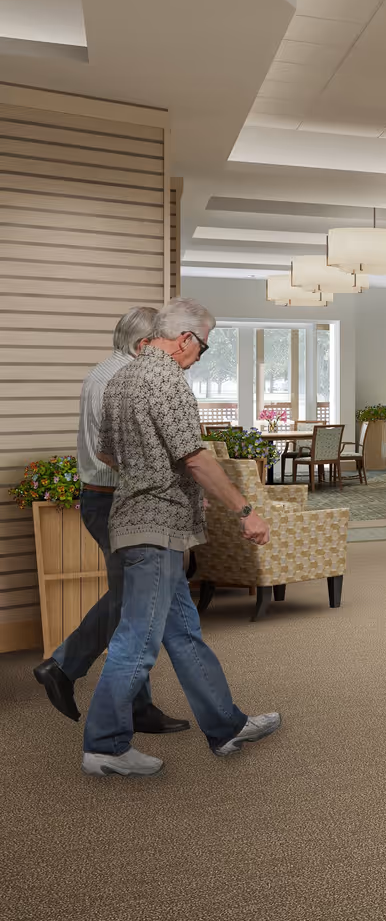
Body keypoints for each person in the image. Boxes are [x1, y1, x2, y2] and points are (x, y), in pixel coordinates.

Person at [82, 298, 279, 777]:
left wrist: (153, 475)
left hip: (135, 519)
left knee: (183, 632)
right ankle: (105, 745)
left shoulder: (121, 376)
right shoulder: (166, 378)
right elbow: (194, 457)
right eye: (204, 348)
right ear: (186, 338)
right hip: (156, 528)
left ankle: (225, 725)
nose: (198, 357)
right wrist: (245, 510)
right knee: (138, 639)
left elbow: (107, 451)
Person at [33, 307, 187, 735]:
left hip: (107, 498)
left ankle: (134, 705)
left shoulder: (102, 373)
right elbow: (123, 456)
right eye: (161, 346)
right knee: (136, 601)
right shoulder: (123, 382)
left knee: (134, 600)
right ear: (143, 345)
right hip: (117, 500)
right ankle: (64, 666)